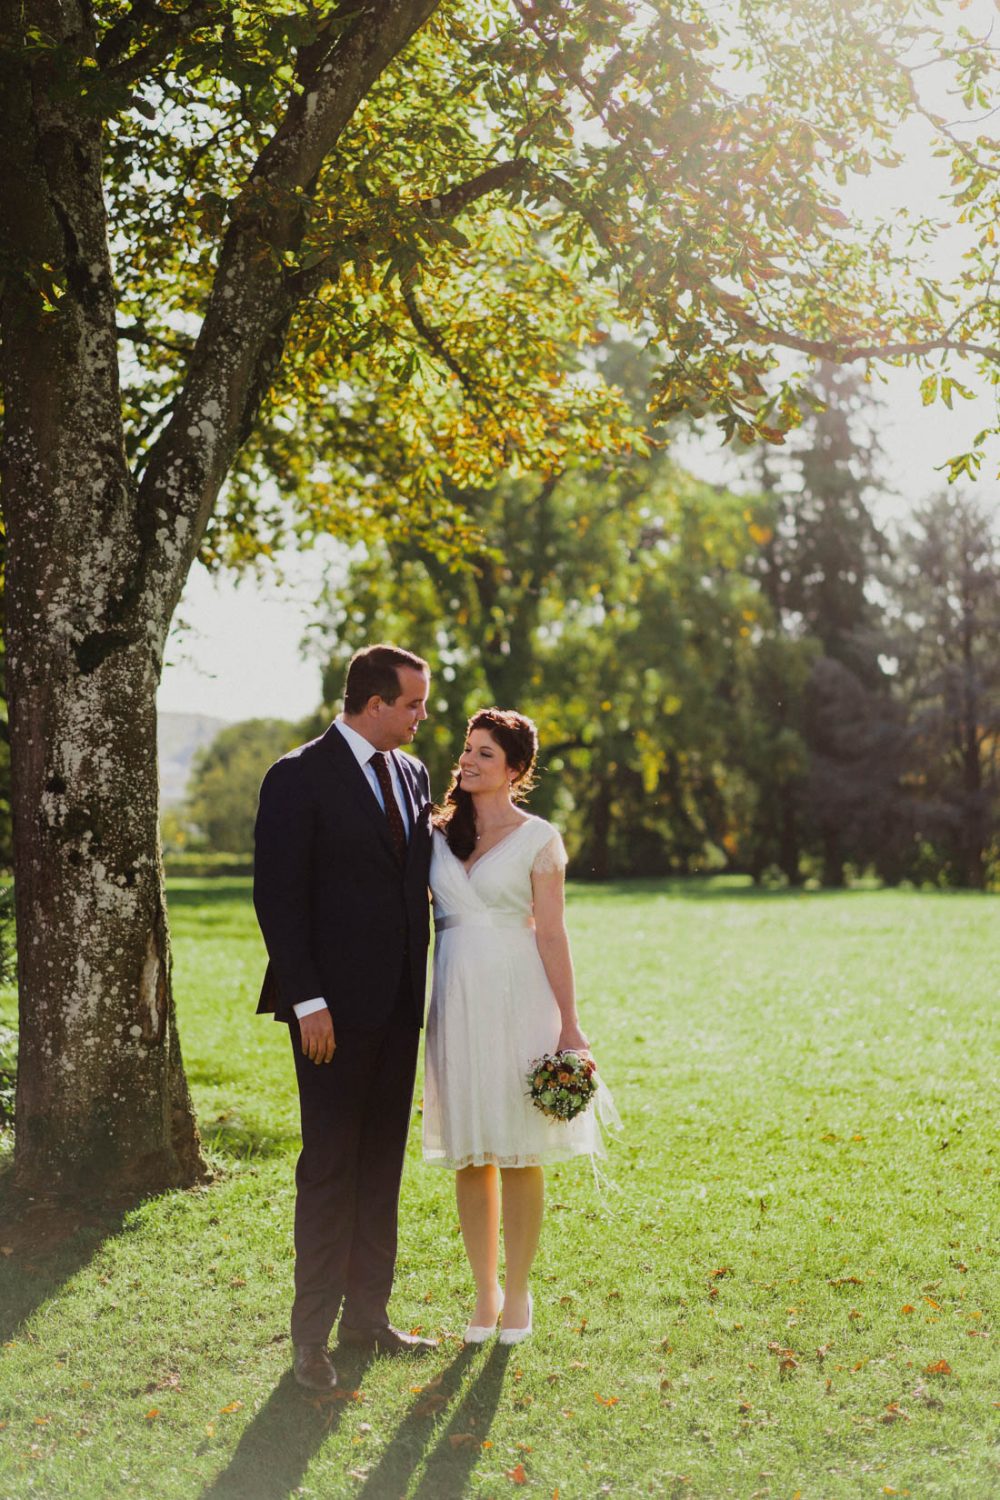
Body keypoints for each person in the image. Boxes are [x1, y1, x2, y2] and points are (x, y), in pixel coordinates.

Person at [253, 643, 437, 1392]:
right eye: (414, 704)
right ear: (373, 702)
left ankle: (369, 1317)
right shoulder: (297, 777)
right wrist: (307, 1001)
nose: (424, 717)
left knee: (380, 1165)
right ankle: (310, 1341)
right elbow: (278, 895)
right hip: (327, 1014)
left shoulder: (414, 774)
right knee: (329, 1168)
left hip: (399, 1008)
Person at [422, 708, 612, 1346]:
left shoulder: (539, 839)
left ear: (516, 770)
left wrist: (571, 1026)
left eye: (485, 754)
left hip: (520, 995)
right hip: (455, 994)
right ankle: (484, 1293)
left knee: (518, 1149)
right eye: (467, 751)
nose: (469, 762)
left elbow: (553, 933)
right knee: (471, 1152)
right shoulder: (435, 834)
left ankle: (521, 1289)